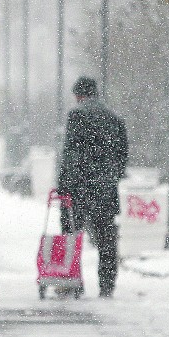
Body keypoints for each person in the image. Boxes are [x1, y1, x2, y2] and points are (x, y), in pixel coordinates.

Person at [58, 76, 128, 298]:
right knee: (106, 237)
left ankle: (74, 281)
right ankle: (107, 284)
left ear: (79, 95)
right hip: (105, 189)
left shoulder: (77, 115)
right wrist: (111, 176)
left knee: (72, 234)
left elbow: (70, 153)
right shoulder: (114, 118)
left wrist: (64, 184)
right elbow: (123, 155)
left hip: (79, 187)